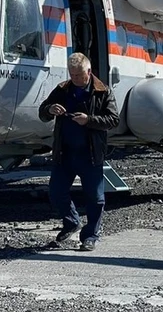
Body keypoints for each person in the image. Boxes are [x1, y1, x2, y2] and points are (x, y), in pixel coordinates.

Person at [39, 53, 119, 251]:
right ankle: (71, 222)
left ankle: (90, 236)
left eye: (78, 75)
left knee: (95, 197)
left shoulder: (103, 91)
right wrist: (50, 110)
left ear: (89, 72)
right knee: (56, 192)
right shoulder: (62, 89)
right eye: (72, 75)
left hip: (90, 154)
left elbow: (113, 119)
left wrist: (89, 120)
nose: (74, 79)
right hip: (64, 153)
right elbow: (42, 112)